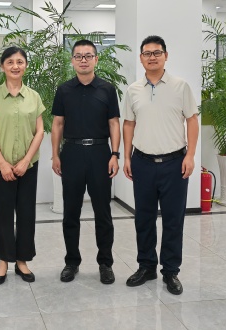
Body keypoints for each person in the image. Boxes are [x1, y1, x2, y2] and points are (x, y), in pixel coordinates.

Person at [122, 35, 198, 295]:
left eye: (157, 52)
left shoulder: (181, 87)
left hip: (174, 163)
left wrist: (190, 155)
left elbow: (192, 120)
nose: (152, 57)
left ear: (166, 56)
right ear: (141, 58)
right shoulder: (133, 90)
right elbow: (128, 124)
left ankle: (171, 271)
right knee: (143, 218)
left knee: (173, 220)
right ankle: (146, 266)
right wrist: (127, 157)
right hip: (142, 162)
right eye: (147, 53)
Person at [51, 39, 121, 285]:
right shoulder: (64, 90)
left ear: (95, 59)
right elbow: (58, 124)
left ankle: (105, 263)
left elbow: (114, 123)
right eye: (79, 56)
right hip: (72, 153)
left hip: (100, 153)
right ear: (72, 60)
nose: (83, 60)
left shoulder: (107, 89)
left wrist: (115, 154)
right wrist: (55, 154)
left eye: (88, 56)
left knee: (103, 212)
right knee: (71, 211)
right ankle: (72, 262)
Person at [0, 47, 45, 285]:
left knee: (27, 213)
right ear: (2, 67)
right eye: (10, 62)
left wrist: (26, 160)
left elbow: (40, 131)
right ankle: (3, 262)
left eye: (20, 61)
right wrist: (2, 163)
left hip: (28, 165)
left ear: (25, 65)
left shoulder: (34, 96)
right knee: (3, 214)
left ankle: (22, 261)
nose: (15, 66)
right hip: (1, 166)